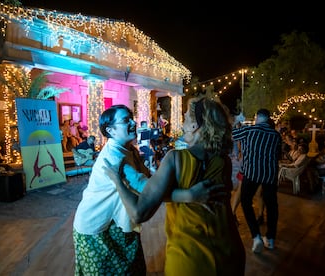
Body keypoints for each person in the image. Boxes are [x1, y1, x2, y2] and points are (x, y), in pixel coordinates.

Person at [104, 98, 246, 275]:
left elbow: (138, 213)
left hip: (190, 260)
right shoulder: (223, 161)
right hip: (231, 254)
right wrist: (187, 195)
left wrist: (117, 180)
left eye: (186, 118)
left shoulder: (176, 159)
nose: (182, 123)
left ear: (195, 126)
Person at [72, 104, 217, 275]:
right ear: (110, 130)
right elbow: (149, 189)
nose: (133, 123)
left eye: (131, 118)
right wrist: (189, 195)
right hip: (96, 227)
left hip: (114, 224)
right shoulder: (114, 157)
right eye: (126, 120)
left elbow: (150, 183)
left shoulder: (128, 150)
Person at [232, 108, 282, 253]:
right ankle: (271, 239)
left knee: (246, 202)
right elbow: (278, 154)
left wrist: (236, 122)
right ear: (268, 118)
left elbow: (232, 134)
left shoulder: (249, 130)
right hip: (270, 175)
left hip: (251, 173)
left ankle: (256, 236)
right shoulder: (276, 135)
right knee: (272, 206)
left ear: (257, 117)